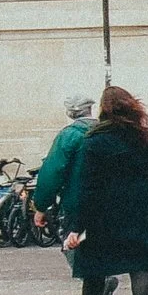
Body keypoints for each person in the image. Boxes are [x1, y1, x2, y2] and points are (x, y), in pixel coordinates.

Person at [58, 86, 148, 295]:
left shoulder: (95, 140)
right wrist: (146, 197)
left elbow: (88, 186)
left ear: (104, 109)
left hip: (104, 212)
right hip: (139, 210)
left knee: (94, 267)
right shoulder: (144, 137)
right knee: (140, 266)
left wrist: (77, 226)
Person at [30, 94, 96, 235]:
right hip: (110, 205)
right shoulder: (106, 133)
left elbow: (52, 173)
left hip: (76, 204)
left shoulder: (69, 135)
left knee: (75, 244)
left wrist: (41, 206)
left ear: (71, 113)